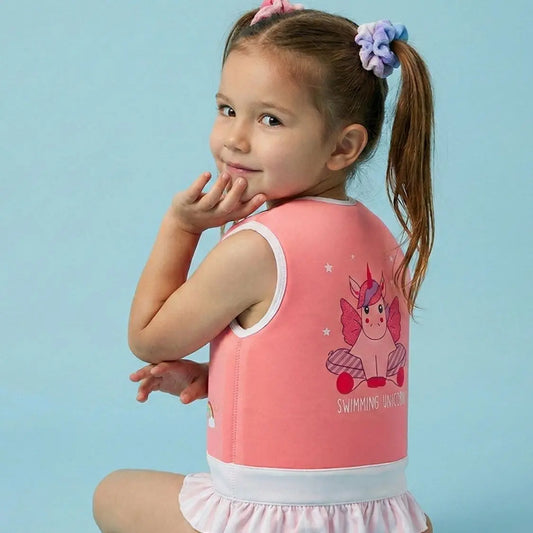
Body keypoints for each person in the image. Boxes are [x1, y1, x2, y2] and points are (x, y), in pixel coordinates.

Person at [92, 0, 435, 531]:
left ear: (343, 146)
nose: (235, 137)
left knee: (112, 493)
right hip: (378, 516)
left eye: (270, 119)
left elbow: (148, 337)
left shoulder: (258, 247)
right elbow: (317, 368)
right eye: (227, 109)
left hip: (274, 517)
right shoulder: (383, 242)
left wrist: (181, 227)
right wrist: (218, 378)